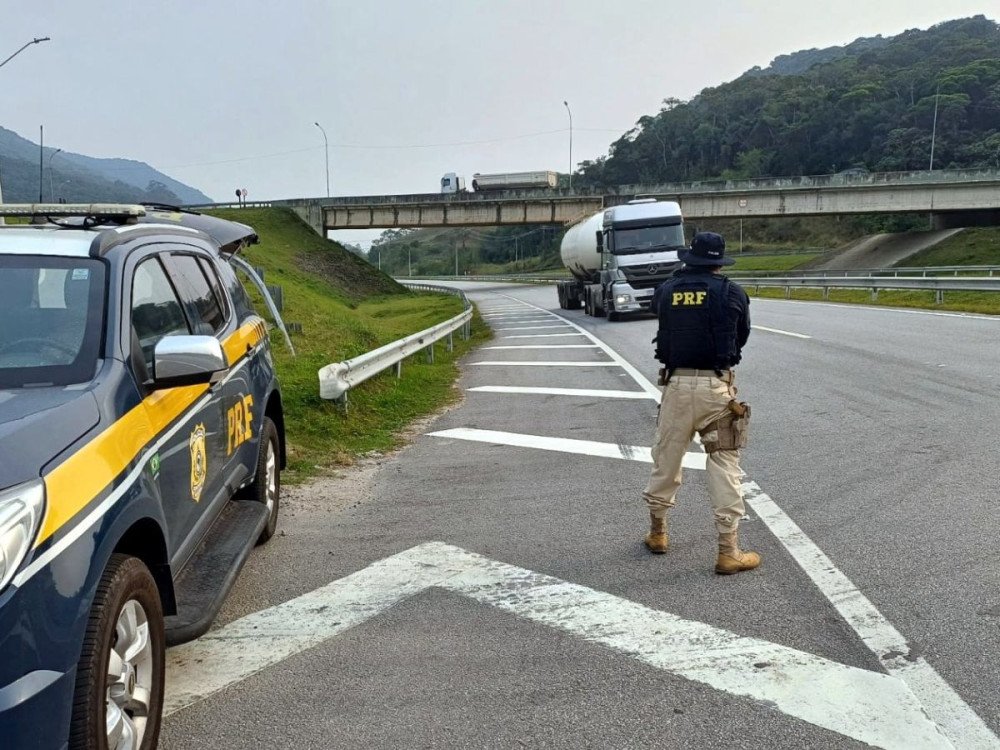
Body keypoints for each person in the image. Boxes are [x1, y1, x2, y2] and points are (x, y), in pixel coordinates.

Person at [642, 231, 760, 575]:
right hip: (716, 388)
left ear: (689, 259)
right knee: (724, 465)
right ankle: (728, 551)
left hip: (676, 386)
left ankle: (658, 534)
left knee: (666, 459)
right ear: (719, 263)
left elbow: (659, 315)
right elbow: (741, 336)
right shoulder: (732, 292)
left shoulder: (667, 290)